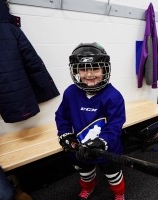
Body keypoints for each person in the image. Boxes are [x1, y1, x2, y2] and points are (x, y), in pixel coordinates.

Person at [55, 43, 126, 200]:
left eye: (95, 68)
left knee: (113, 175)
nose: (89, 74)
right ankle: (88, 188)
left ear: (104, 69)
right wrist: (65, 134)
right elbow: (62, 116)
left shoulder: (114, 96)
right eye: (83, 68)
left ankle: (119, 193)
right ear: (76, 70)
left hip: (108, 149)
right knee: (85, 174)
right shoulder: (70, 92)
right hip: (81, 148)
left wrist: (103, 141)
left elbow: (115, 124)